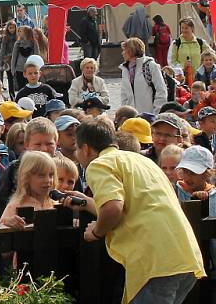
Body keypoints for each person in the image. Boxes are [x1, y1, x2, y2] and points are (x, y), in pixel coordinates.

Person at [68, 116, 205, 304]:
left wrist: (96, 232)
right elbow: (132, 208)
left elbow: (113, 208)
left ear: (85, 148)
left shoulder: (99, 164)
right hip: (185, 258)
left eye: (77, 148)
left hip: (156, 264)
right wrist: (88, 202)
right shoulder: (142, 161)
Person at [0, 151, 57, 228]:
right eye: (41, 175)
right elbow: (0, 230)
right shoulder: (16, 205)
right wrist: (8, 224)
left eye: (51, 175)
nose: (48, 180)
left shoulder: (56, 204)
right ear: (26, 178)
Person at [120, 38, 166, 114]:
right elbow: (124, 95)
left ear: (132, 51)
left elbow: (161, 91)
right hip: (131, 118)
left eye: (125, 50)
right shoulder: (125, 69)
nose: (122, 53)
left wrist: (156, 112)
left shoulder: (150, 66)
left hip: (149, 115)